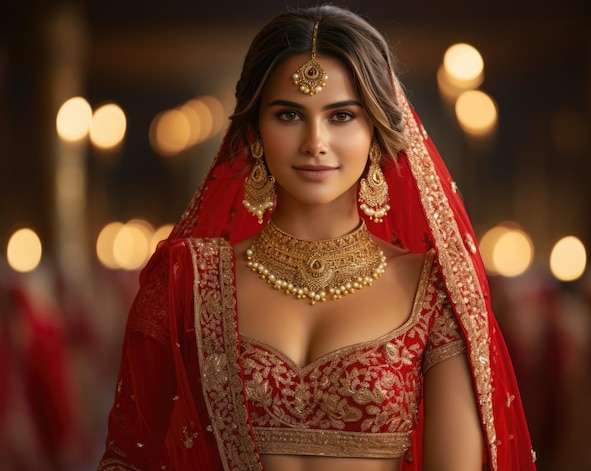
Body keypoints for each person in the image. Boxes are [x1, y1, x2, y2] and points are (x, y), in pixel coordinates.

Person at [98, 4, 536, 470]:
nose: (315, 141)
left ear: (376, 128)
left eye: (342, 116)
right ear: (254, 130)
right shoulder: (184, 281)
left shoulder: (432, 291)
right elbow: (128, 458)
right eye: (289, 115)